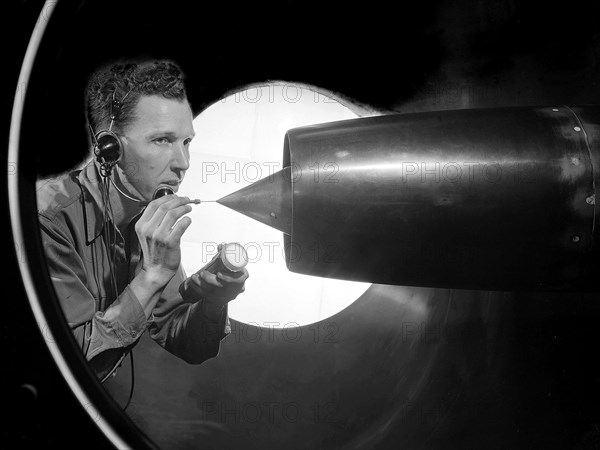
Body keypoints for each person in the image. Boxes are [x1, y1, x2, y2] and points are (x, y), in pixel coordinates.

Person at [36, 59, 248, 382]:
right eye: (162, 140)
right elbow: (70, 367)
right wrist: (152, 275)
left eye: (186, 142)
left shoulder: (149, 211)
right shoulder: (48, 220)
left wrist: (212, 302)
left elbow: (182, 337)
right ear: (110, 148)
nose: (184, 163)